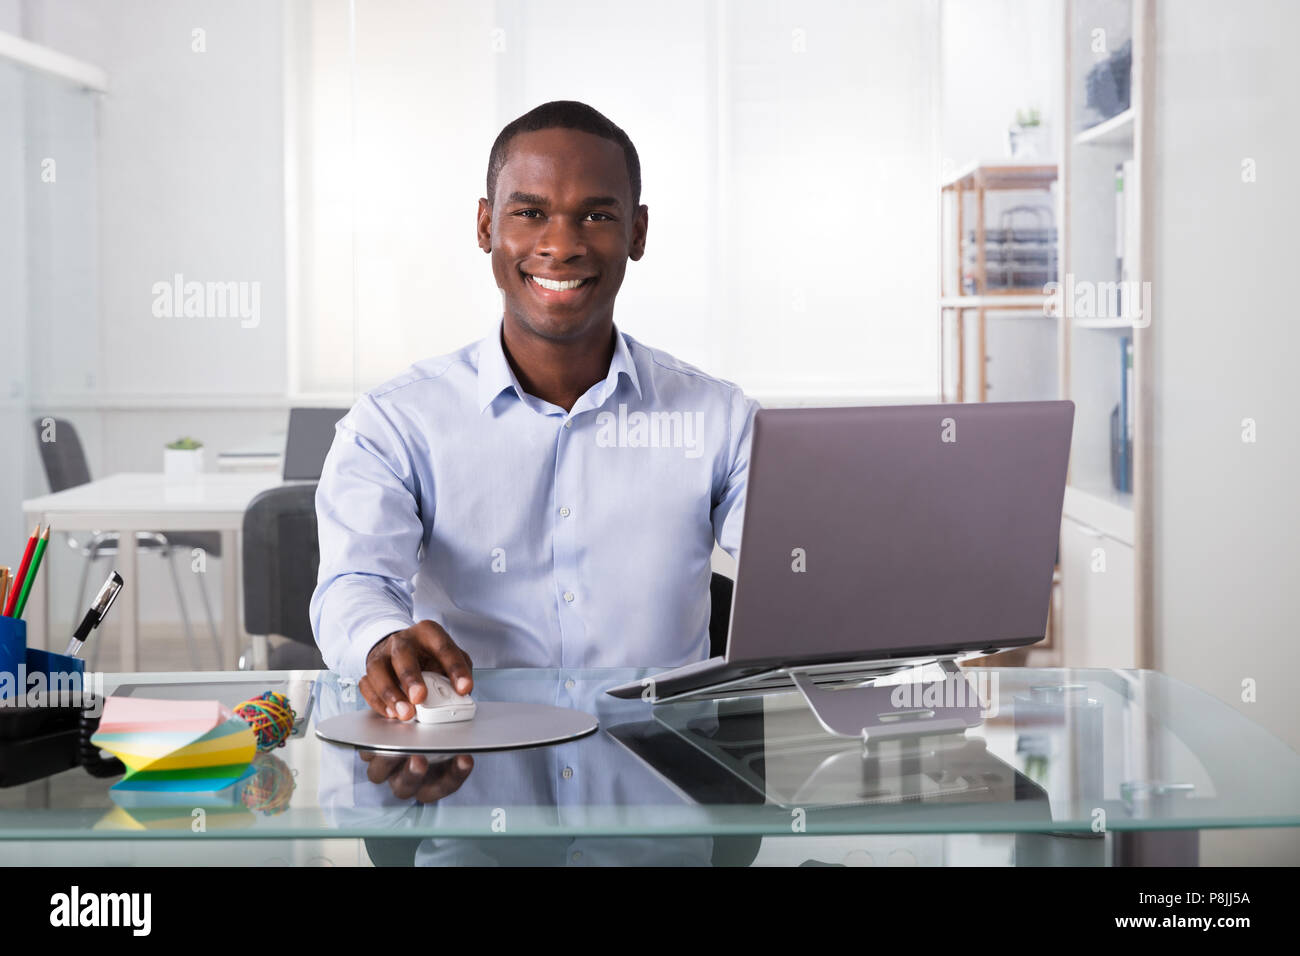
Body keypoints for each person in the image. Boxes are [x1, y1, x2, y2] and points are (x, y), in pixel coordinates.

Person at [310, 100, 758, 721]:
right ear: (485, 226)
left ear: (637, 233)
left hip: (661, 766)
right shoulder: (394, 424)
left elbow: (800, 568)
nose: (561, 245)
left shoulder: (720, 420)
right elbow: (354, 583)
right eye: (530, 213)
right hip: (468, 760)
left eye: (596, 215)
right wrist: (381, 638)